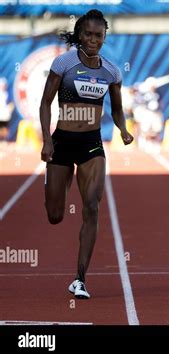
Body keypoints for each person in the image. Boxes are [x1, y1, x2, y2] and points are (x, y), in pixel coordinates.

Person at [39, 9, 134, 298]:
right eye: (89, 35)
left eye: (99, 35)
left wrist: (123, 129)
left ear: (105, 37)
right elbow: (45, 103)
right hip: (63, 142)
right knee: (55, 215)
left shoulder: (111, 72)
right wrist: (47, 141)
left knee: (92, 206)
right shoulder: (64, 63)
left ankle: (80, 278)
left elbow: (116, 108)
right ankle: (57, 183)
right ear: (80, 35)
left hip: (92, 144)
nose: (93, 40)